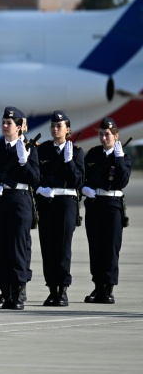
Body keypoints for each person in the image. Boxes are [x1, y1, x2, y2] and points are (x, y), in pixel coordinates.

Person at [0, 106, 40, 310]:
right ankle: (5, 290)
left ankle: (18, 290)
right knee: (1, 248)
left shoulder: (29, 149)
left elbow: (35, 179)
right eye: (4, 123)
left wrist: (24, 162)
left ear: (19, 127)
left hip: (19, 200)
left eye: (10, 123)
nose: (6, 126)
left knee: (17, 247)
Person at [34, 111, 85, 306]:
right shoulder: (43, 150)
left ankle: (62, 290)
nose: (55, 129)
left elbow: (78, 181)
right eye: (53, 126)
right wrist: (41, 189)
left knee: (62, 247)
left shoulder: (77, 152)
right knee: (48, 247)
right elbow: (36, 176)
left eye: (59, 126)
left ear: (68, 130)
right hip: (46, 202)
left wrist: (69, 161)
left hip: (66, 203)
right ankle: (51, 289)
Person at [81, 117, 132, 304]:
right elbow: (83, 176)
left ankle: (108, 288)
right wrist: (84, 188)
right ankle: (97, 286)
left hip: (112, 206)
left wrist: (118, 159)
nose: (104, 138)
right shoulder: (93, 155)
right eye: (101, 135)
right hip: (95, 204)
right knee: (95, 247)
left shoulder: (123, 158)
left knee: (110, 248)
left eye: (108, 135)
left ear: (116, 136)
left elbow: (123, 180)